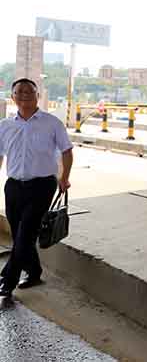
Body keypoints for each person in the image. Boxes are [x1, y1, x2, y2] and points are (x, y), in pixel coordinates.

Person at [0, 78, 73, 308]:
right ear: (13, 97)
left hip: (42, 186)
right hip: (13, 186)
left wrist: (64, 177)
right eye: (19, 92)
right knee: (20, 233)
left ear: (37, 95)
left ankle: (7, 282)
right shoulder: (4, 125)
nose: (24, 95)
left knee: (26, 234)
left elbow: (67, 151)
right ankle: (33, 272)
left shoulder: (52, 123)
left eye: (29, 91)